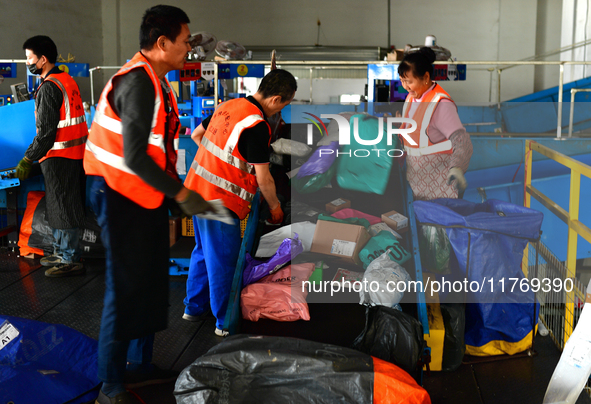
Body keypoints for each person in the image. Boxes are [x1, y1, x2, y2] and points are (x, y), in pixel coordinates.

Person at [83, 5, 213, 404]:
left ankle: (139, 365)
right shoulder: (138, 82)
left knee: (150, 281)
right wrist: (181, 195)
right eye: (186, 40)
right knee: (125, 288)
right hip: (117, 191)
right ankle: (110, 384)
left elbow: (156, 153)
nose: (190, 48)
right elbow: (136, 157)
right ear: (162, 43)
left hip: (140, 191)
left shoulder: (158, 82)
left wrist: (169, 195)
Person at [183, 69, 297, 336]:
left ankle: (194, 307)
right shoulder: (256, 124)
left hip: (195, 190)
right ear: (277, 99)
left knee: (202, 252)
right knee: (224, 261)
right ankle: (225, 323)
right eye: (285, 105)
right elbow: (264, 178)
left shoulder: (228, 105)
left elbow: (197, 136)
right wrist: (276, 208)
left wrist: (221, 164)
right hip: (219, 202)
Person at [17, 35, 88, 277]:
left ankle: (70, 259)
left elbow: (46, 134)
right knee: (59, 205)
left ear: (43, 59)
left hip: (59, 156)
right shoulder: (66, 80)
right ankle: (61, 252)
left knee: (64, 206)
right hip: (73, 154)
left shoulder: (49, 88)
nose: (27, 62)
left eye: (29, 58)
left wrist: (28, 158)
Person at [398, 47, 473, 201]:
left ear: (425, 77)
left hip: (440, 189)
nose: (405, 86)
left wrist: (457, 168)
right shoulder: (411, 99)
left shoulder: (440, 104)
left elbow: (462, 140)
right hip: (416, 185)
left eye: (409, 81)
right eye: (402, 81)